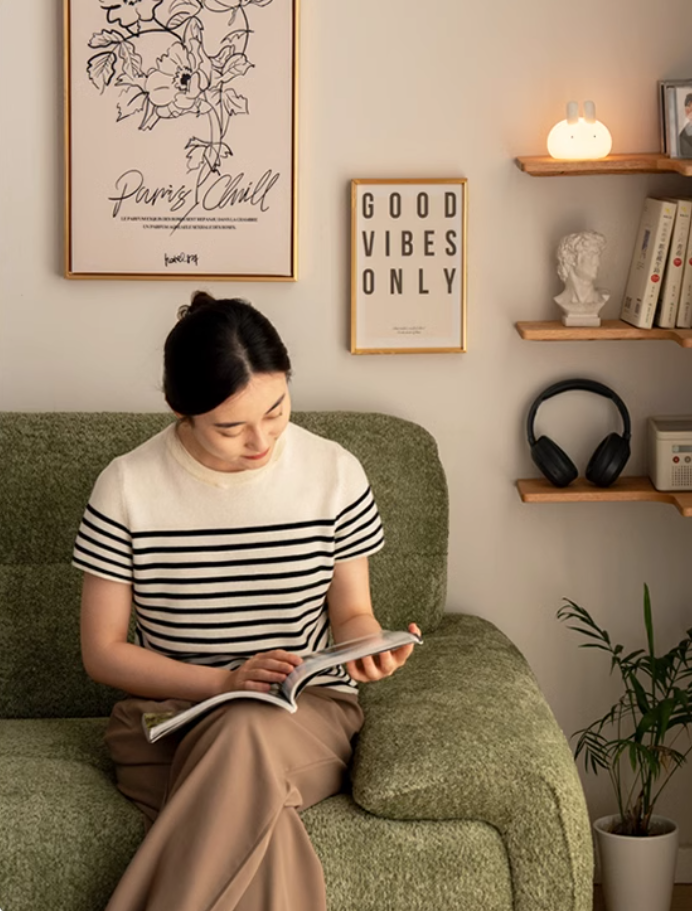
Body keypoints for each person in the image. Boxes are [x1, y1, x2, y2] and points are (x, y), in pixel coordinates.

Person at [73, 291, 419, 911]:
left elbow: (351, 613)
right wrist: (225, 681)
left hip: (304, 719)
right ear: (183, 411)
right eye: (230, 427)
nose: (260, 440)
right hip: (167, 724)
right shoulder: (127, 486)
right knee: (260, 825)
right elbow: (102, 653)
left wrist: (369, 648)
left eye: (277, 409)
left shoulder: (334, 472)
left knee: (246, 729)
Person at [553, 230, 610, 326]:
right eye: (591, 255)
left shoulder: (602, 298)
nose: (597, 263)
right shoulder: (561, 300)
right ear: (571, 259)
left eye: (598, 256)